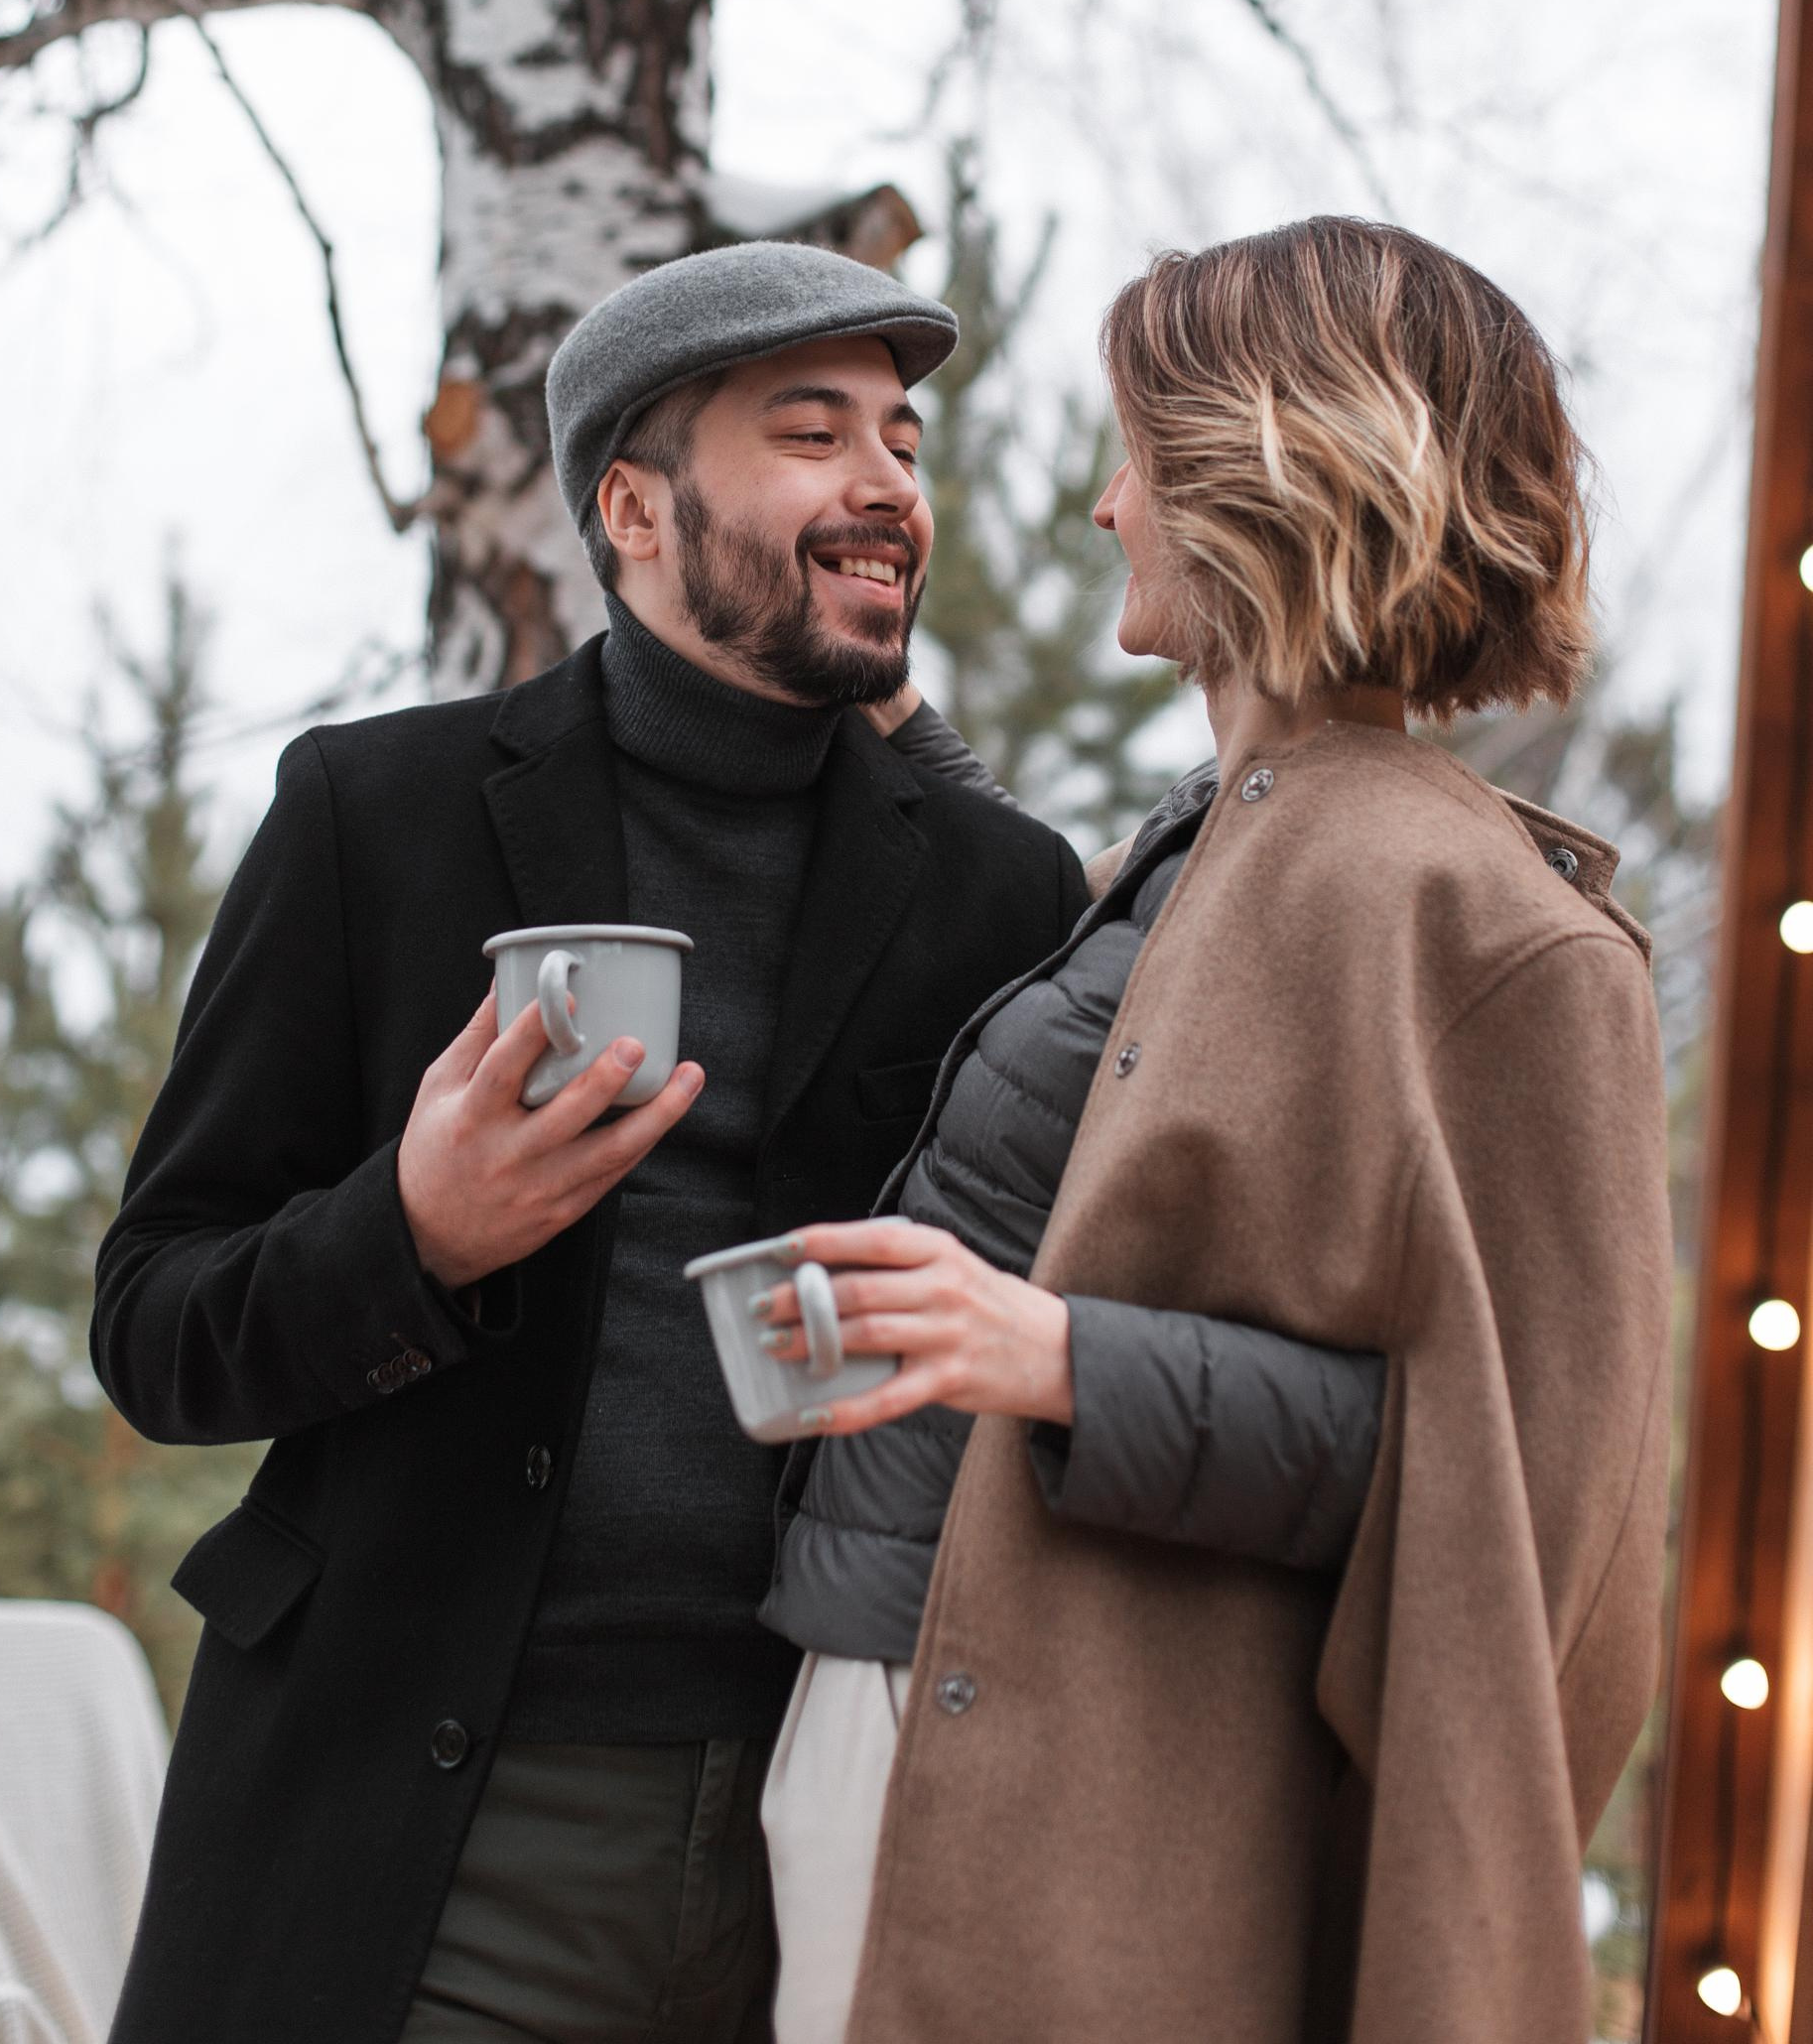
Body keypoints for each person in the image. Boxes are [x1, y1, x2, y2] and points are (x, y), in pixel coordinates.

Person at [90, 241, 1086, 2044]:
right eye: (813, 434)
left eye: (906, 444)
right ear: (634, 507)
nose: (885, 487)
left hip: (832, 1815)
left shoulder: (996, 893)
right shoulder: (373, 815)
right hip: (418, 1815)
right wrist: (415, 1231)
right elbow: (155, 1324)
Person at [754, 216, 1672, 2044]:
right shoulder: (1208, 840)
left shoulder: (1481, 923)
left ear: (1267, 464)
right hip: (888, 1709)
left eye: (1138, 453)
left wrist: (1050, 1352)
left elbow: (1517, 1531)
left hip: (1066, 1836)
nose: (1103, 507)